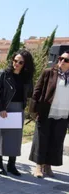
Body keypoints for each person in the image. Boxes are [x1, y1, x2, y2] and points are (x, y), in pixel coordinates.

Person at [0, 50, 35, 176]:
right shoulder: (4, 73)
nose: (16, 64)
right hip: (4, 108)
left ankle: (11, 164)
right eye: (15, 60)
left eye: (20, 62)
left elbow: (29, 93)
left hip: (18, 108)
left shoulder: (26, 77)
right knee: (1, 136)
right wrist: (0, 108)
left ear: (25, 64)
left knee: (16, 139)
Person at [29, 50, 69, 178]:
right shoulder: (48, 72)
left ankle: (48, 165)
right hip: (47, 111)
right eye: (61, 58)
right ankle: (38, 166)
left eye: (66, 60)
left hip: (63, 114)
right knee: (42, 139)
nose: (62, 61)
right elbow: (37, 90)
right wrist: (33, 110)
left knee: (56, 140)